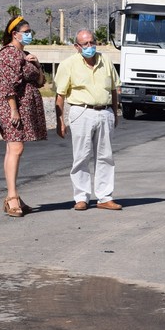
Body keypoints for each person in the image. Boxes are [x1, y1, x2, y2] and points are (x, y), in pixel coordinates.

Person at [54, 29, 122, 211]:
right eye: (85, 44)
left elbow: (115, 90)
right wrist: (59, 121)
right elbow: (60, 95)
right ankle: (81, 197)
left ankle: (104, 197)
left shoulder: (105, 61)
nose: (90, 46)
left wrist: (114, 114)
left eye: (92, 42)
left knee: (105, 156)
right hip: (81, 111)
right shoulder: (68, 65)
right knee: (81, 156)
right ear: (77, 46)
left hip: (104, 111)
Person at [0, 16, 47, 217]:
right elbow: (7, 85)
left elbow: (41, 82)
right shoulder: (8, 54)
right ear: (14, 34)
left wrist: (38, 64)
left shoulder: (24, 54)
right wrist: (14, 110)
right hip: (11, 105)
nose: (29, 34)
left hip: (24, 106)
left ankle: (13, 196)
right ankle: (12, 197)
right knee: (16, 147)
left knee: (13, 148)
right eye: (26, 31)